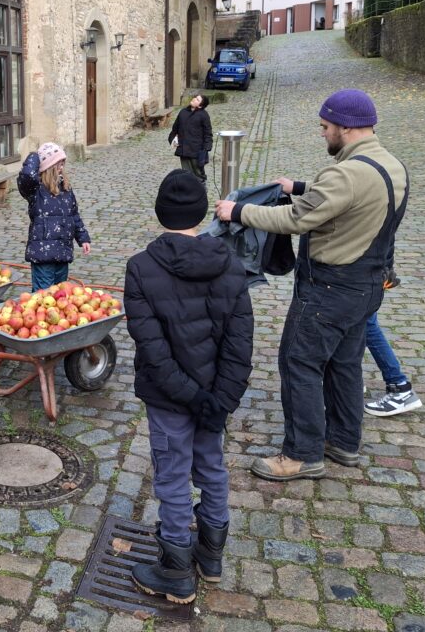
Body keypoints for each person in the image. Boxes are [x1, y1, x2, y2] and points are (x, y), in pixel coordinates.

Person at [215, 89, 408, 481]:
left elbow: (295, 220)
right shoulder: (391, 165)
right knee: (344, 365)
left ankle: (301, 454)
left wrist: (238, 211)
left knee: (299, 362)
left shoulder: (344, 174)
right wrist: (300, 186)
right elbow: (351, 200)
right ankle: (344, 442)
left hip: (329, 290)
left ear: (345, 127)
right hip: (366, 286)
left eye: (325, 126)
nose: (322, 134)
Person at [125, 170, 253, 604]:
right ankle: (211, 557)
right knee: (212, 467)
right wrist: (220, 400)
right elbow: (240, 342)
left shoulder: (141, 268)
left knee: (174, 476)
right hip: (212, 396)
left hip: (170, 398)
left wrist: (197, 397)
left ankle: (177, 570)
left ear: (160, 212)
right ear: (200, 214)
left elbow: (153, 350)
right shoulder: (230, 264)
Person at [17, 142, 91, 291]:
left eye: (63, 164)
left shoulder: (65, 188)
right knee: (43, 294)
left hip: (62, 252)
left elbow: (74, 214)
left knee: (60, 293)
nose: (61, 168)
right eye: (58, 164)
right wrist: (35, 156)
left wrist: (83, 238)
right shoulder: (36, 190)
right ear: (48, 167)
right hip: (42, 255)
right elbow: (26, 176)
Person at [364, 272, 421, 416]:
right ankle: (349, 380)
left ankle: (399, 387)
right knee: (360, 326)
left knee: (368, 327)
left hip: (360, 276)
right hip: (364, 275)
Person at [168, 94, 212, 183]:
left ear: (200, 106)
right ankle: (189, 189)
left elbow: (208, 133)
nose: (194, 99)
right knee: (186, 174)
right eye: (195, 97)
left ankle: (201, 188)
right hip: (183, 149)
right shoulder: (183, 112)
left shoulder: (204, 115)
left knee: (198, 175)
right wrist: (173, 141)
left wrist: (206, 149)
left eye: (197, 99)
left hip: (196, 150)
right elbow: (175, 129)